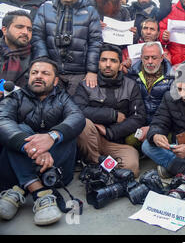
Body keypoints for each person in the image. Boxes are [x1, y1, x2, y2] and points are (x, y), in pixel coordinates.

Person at [0, 58, 85, 226]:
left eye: (45, 73)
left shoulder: (63, 98)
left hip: (55, 168)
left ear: (55, 81)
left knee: (67, 132)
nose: (38, 76)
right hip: (29, 162)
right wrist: (30, 147)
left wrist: (51, 137)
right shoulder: (15, 97)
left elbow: (77, 117)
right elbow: (2, 120)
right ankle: (39, 192)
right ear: (28, 77)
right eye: (34, 73)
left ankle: (19, 190)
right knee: (20, 131)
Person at [73, 44, 146, 177]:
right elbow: (77, 110)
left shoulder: (131, 85)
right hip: (92, 139)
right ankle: (96, 163)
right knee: (82, 123)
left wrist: (111, 132)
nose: (108, 64)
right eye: (104, 60)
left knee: (131, 168)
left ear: (119, 65)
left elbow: (138, 117)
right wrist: (112, 115)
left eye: (113, 61)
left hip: (117, 141)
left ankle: (101, 169)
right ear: (98, 63)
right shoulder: (86, 84)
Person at [31, 0, 103, 96]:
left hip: (79, 73)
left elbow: (95, 42)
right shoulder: (45, 8)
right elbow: (37, 37)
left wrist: (92, 71)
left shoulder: (90, 12)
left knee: (75, 110)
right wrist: (44, 63)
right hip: (51, 72)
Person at [126, 41, 173, 149]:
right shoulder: (132, 75)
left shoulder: (173, 77)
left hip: (164, 126)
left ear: (162, 58)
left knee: (166, 140)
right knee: (130, 140)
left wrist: (152, 128)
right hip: (138, 124)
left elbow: (175, 112)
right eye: (146, 58)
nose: (150, 62)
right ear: (141, 58)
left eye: (154, 58)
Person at [0, 10, 33, 93]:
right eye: (19, 27)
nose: (26, 32)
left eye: (29, 29)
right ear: (4, 30)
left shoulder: (36, 58)